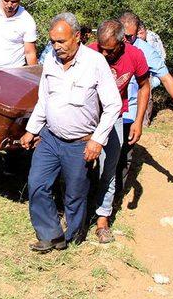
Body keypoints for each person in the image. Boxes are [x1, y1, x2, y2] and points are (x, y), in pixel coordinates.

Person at [20, 13, 121, 252]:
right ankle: (51, 235)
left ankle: (74, 237)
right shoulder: (51, 62)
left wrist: (97, 140)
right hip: (50, 139)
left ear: (77, 37)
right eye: (53, 41)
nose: (56, 47)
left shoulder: (95, 63)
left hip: (80, 143)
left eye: (61, 42)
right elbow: (43, 100)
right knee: (37, 184)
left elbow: (114, 105)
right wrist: (31, 130)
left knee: (75, 194)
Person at [88, 20, 150, 243]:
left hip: (115, 116)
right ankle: (76, 209)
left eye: (110, 50)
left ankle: (102, 218)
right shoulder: (89, 52)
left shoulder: (135, 56)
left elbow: (144, 85)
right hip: (89, 115)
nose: (104, 54)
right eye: (101, 48)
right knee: (81, 164)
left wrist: (138, 120)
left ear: (122, 42)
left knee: (109, 166)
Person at [118, 12, 173, 188]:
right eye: (123, 35)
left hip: (130, 112)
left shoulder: (146, 51)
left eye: (130, 36)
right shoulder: (109, 44)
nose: (126, 40)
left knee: (123, 155)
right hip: (107, 110)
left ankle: (115, 198)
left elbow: (166, 78)